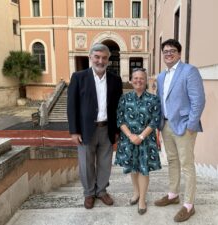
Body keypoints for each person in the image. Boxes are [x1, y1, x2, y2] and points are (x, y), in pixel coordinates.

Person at [154, 39, 205, 222]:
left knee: (187, 164)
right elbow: (161, 102)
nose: (168, 53)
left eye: (172, 50)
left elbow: (198, 100)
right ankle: (173, 194)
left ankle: (189, 205)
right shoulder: (161, 77)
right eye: (165, 51)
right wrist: (159, 127)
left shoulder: (189, 71)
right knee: (173, 161)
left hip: (184, 126)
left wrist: (191, 126)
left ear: (179, 53)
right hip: (166, 125)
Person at [67, 43, 123, 209]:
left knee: (105, 162)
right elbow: (72, 106)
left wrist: (117, 130)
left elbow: (118, 107)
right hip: (85, 130)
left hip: (107, 128)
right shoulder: (78, 77)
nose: (100, 61)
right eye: (97, 57)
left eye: (104, 58)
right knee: (86, 163)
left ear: (108, 60)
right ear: (91, 57)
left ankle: (102, 191)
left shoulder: (115, 80)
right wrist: (74, 131)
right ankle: (89, 193)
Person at [115, 68, 162, 215]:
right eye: (135, 78)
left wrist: (140, 137)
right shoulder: (124, 98)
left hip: (146, 140)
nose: (138, 81)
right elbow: (120, 119)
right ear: (131, 80)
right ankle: (136, 193)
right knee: (133, 168)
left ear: (146, 80)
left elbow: (155, 121)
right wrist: (130, 136)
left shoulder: (153, 99)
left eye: (141, 78)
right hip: (128, 139)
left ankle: (142, 199)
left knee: (143, 169)